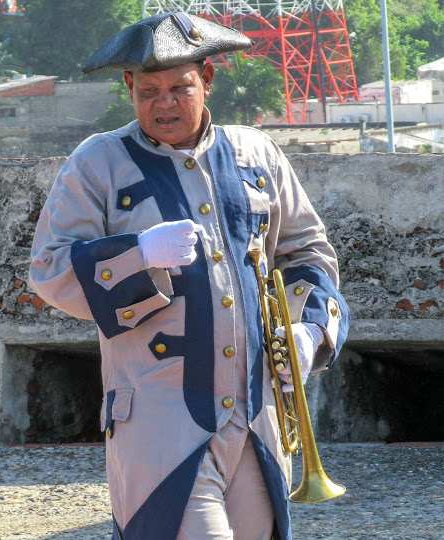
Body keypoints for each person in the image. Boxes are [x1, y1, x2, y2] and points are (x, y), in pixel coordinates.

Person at [28, 12, 350, 540]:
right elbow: (48, 269)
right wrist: (138, 256)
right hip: (158, 428)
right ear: (129, 88)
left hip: (257, 419)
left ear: (208, 80)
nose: (164, 103)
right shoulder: (97, 163)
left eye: (180, 87)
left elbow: (308, 252)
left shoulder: (258, 153)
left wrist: (308, 333)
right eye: (148, 90)